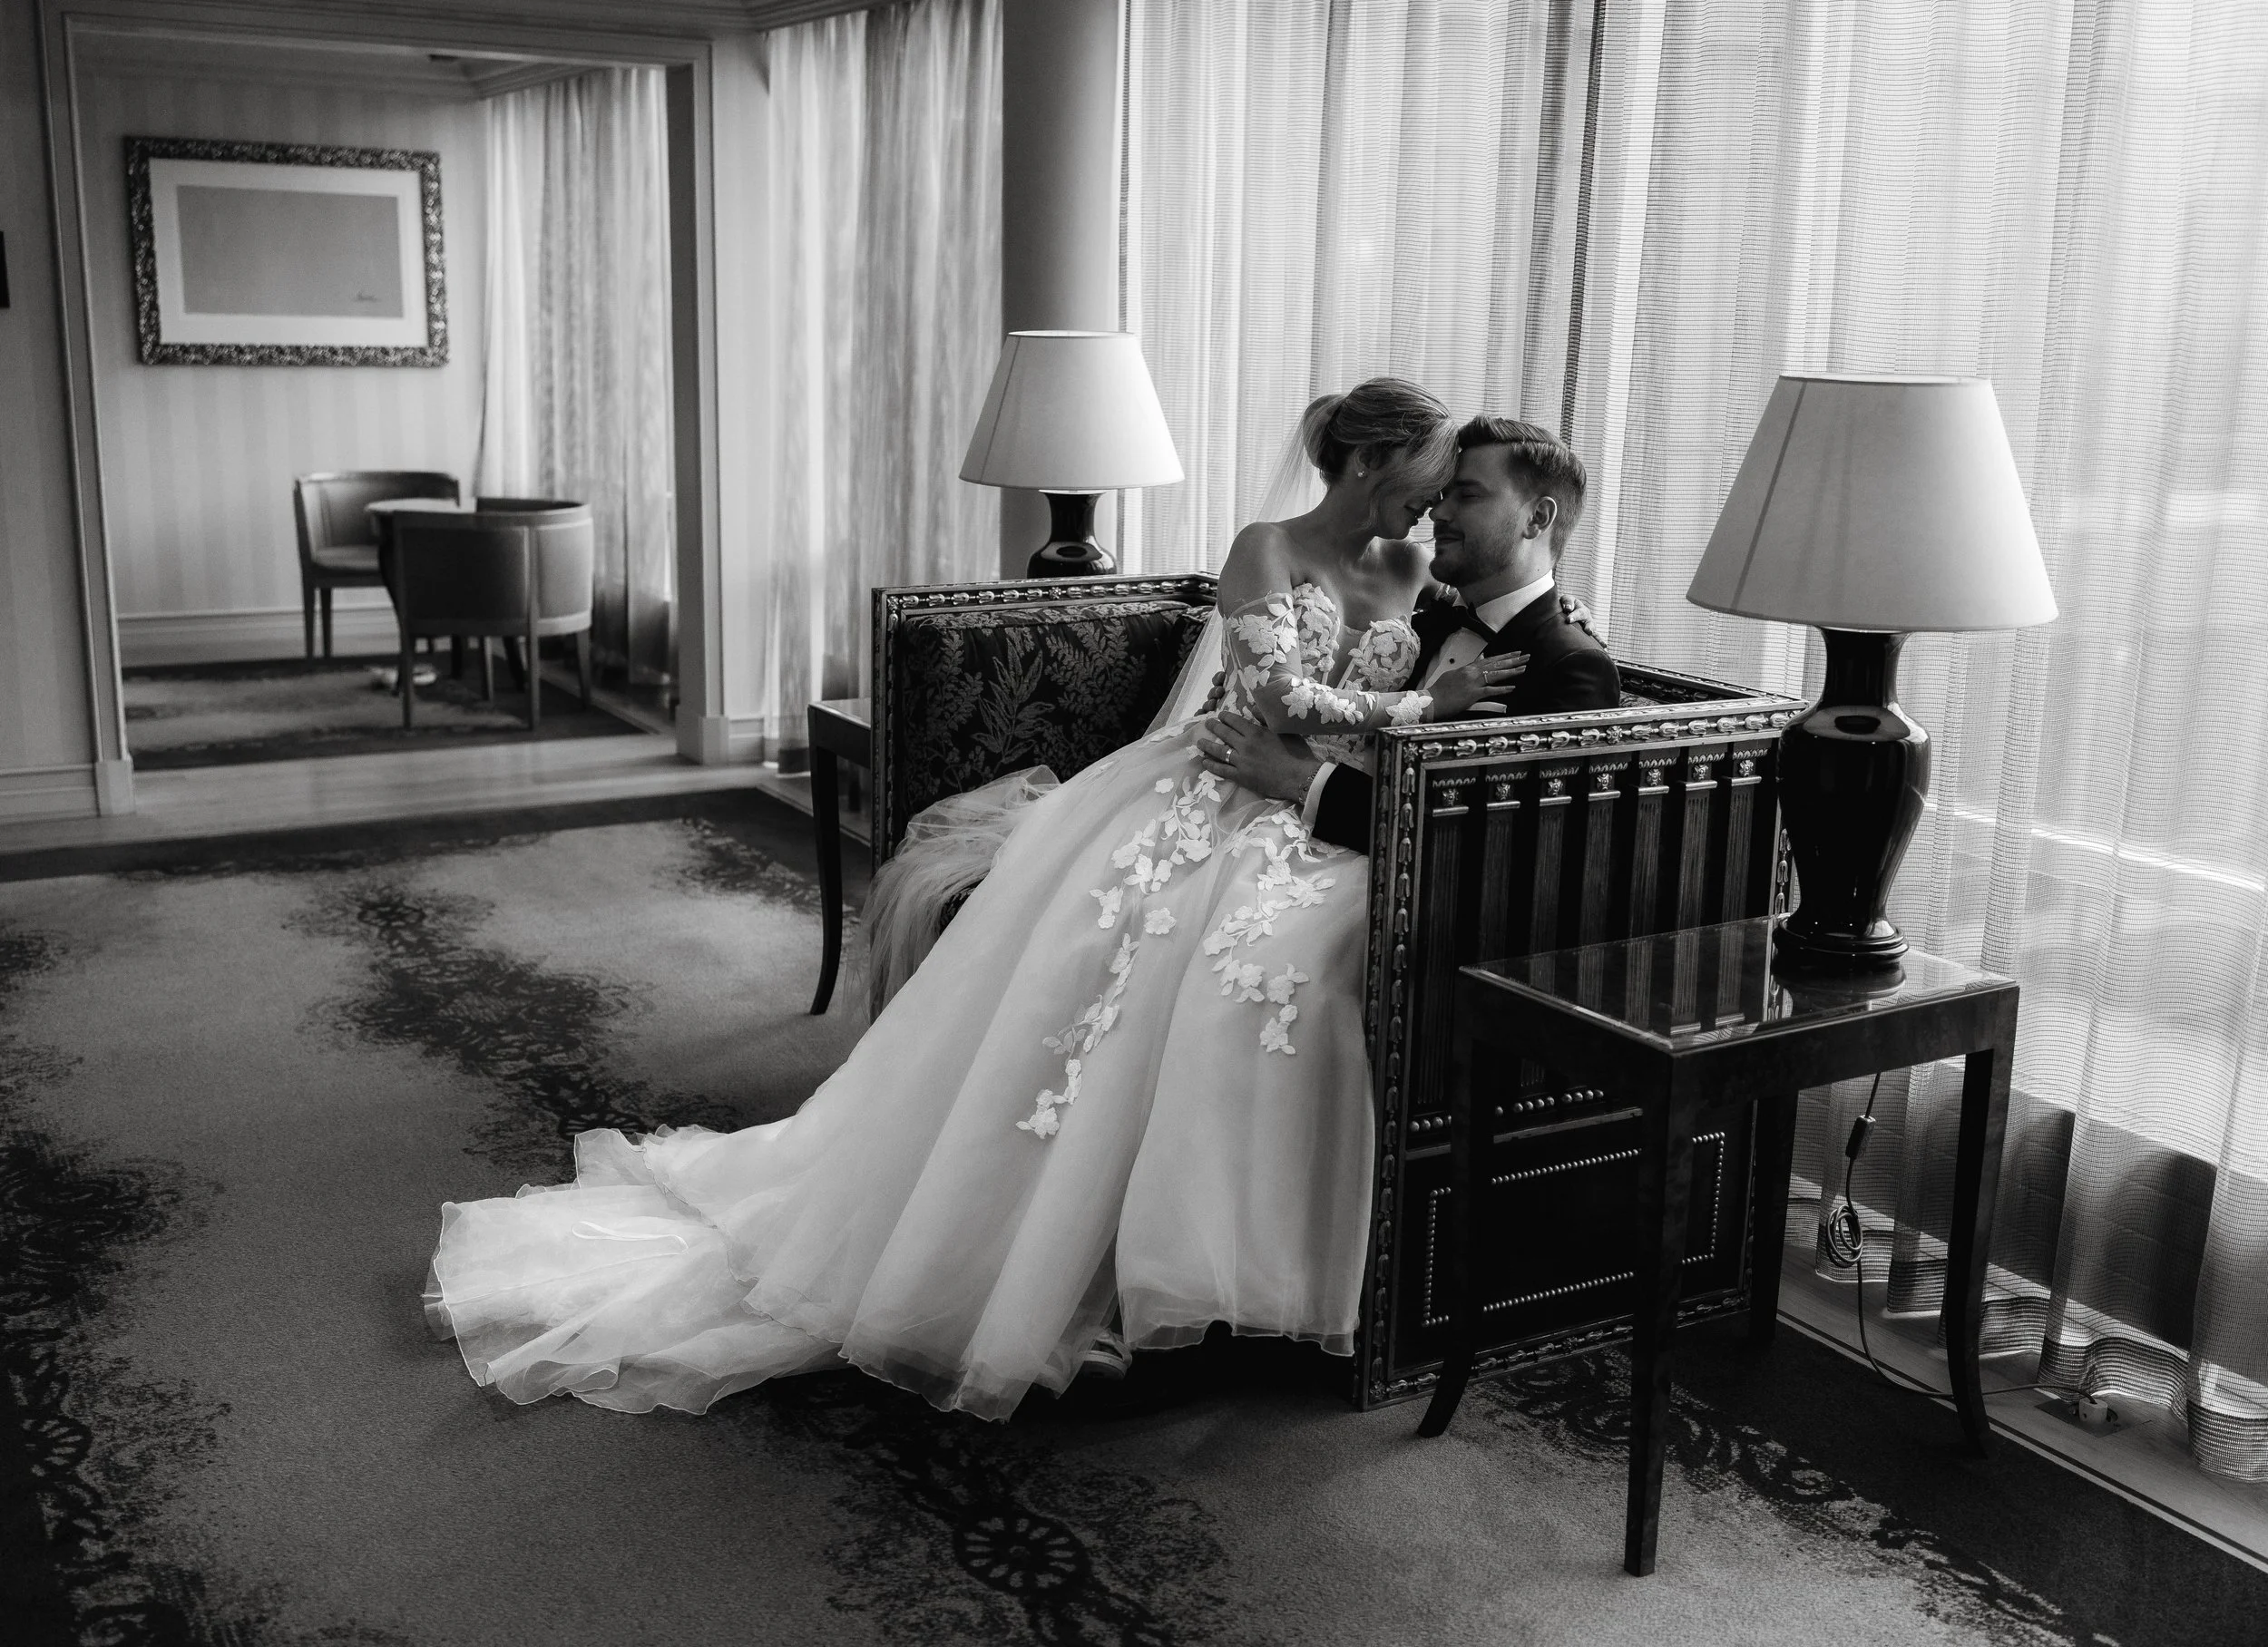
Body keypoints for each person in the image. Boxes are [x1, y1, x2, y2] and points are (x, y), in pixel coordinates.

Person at [424, 379, 1527, 1421]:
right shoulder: (1266, 549)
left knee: (1268, 979)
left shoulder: (1413, 572)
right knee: (1119, 973)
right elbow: (1270, 696)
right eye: (1428, 469)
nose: (1435, 496)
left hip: (1307, 813)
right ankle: (1035, 1254)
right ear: (1373, 458)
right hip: (1210, 797)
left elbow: (1433, 659)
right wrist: (1424, 707)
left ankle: (1233, 1272)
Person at [1195, 417, 1618, 850]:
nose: (1438, 512)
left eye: (1468, 495)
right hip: (1263, 819)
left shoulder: (1570, 664)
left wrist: (1300, 779)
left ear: (1538, 517)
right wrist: (1241, 684)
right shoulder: (1427, 611)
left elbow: (1501, 840)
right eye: (1442, 493)